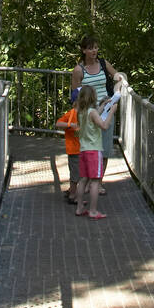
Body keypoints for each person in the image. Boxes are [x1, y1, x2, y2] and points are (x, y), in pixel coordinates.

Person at [71, 35, 124, 193]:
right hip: (89, 113)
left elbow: (116, 75)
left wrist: (121, 80)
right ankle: (86, 181)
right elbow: (75, 96)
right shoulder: (78, 70)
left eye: (96, 47)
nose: (94, 51)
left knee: (105, 149)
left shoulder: (103, 63)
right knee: (89, 149)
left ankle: (98, 182)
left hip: (106, 109)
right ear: (84, 50)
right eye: (90, 48)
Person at [74, 85, 118, 219]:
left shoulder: (81, 111)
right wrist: (111, 112)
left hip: (83, 150)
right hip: (94, 151)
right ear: (93, 97)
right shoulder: (92, 112)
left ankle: (79, 207)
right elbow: (104, 126)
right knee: (94, 181)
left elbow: (94, 115)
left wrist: (103, 105)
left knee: (83, 180)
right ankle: (93, 211)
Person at [55, 97, 81, 204]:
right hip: (74, 150)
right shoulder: (71, 114)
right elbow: (58, 123)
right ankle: (72, 195)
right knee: (75, 174)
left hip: (82, 149)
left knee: (78, 173)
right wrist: (70, 125)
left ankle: (71, 190)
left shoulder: (86, 114)